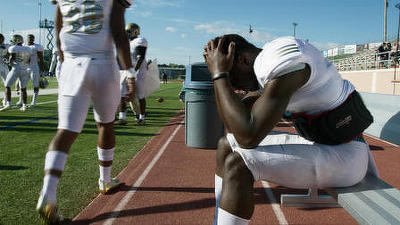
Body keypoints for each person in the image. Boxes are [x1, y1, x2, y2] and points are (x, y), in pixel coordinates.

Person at [203, 34, 375, 225]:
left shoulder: (279, 61)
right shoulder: (266, 64)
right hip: (324, 144)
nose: (238, 89)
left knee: (240, 164)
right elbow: (236, 123)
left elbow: (248, 136)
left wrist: (220, 75)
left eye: (235, 81)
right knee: (226, 143)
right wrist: (220, 76)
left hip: (348, 157)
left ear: (244, 60)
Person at [36, 0, 135, 224]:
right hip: (102, 64)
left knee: (65, 131)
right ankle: (105, 180)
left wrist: (64, 58)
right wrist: (129, 73)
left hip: (71, 64)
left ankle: (48, 194)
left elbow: (58, 22)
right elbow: (119, 34)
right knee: (105, 124)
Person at [0, 34, 32, 112]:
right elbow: (29, 61)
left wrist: (8, 62)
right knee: (23, 88)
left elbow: (11, 60)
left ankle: (8, 104)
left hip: (16, 69)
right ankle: (24, 105)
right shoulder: (28, 48)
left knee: (7, 85)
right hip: (25, 69)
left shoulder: (13, 48)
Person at [127, 22, 148, 125]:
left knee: (140, 95)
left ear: (135, 32)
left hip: (139, 71)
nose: (127, 34)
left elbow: (140, 58)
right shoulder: (128, 43)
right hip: (130, 70)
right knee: (123, 93)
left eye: (128, 31)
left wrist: (134, 71)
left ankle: (142, 117)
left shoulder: (140, 41)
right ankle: (122, 116)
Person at [23, 34, 45, 106]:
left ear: (34, 39)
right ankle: (21, 100)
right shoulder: (23, 46)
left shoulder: (36, 46)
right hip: (25, 68)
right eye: (29, 38)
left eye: (32, 38)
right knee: (22, 84)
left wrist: (42, 69)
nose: (30, 39)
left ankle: (34, 101)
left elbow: (41, 58)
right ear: (27, 38)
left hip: (34, 67)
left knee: (35, 85)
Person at [0, 33, 10, 106]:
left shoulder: (6, 45)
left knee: (7, 83)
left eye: (1, 38)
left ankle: (5, 100)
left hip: (4, 65)